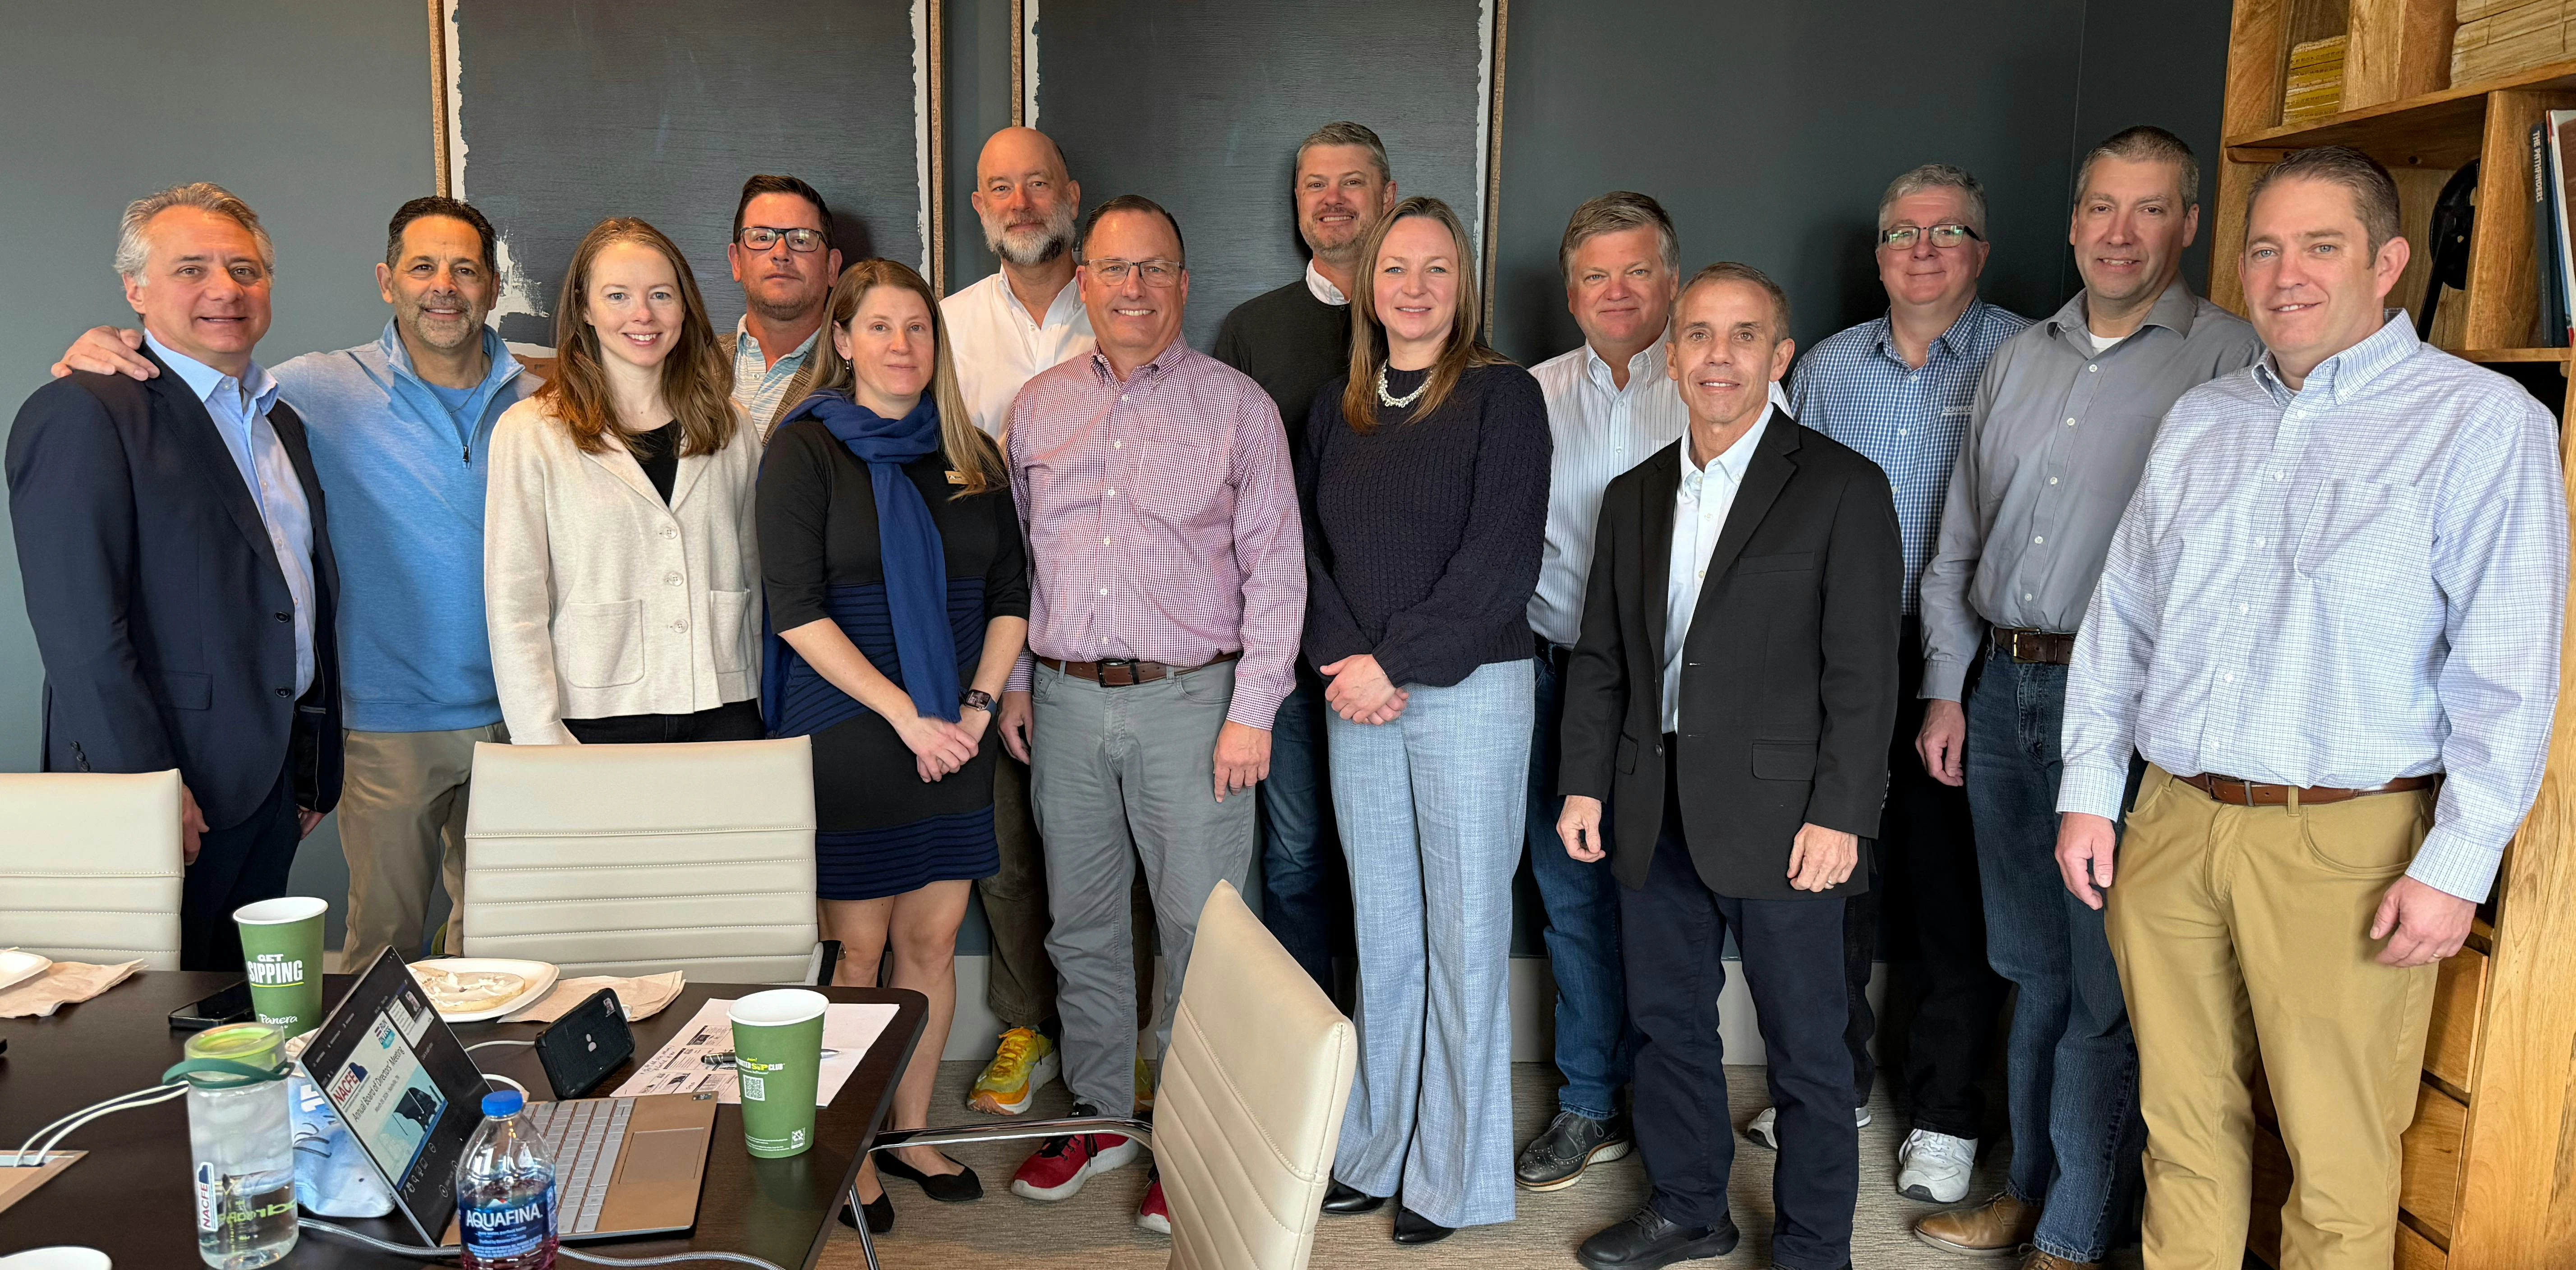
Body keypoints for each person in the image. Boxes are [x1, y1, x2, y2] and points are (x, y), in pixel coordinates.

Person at [2060, 145, 2567, 1270]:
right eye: (2266, 247)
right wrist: (2092, 795)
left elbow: (2509, 667)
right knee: (2181, 1131)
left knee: (2339, 1164)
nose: (2286, 274)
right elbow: (2125, 624)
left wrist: (2458, 859)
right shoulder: (2204, 421)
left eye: (2321, 246)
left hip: (2350, 839)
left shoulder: (2481, 425)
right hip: (2172, 820)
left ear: (2388, 262)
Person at [1913, 125, 2262, 1268]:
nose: (2120, 233)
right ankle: (2028, 1187)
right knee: (2029, 967)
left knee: (2107, 984)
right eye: (2101, 208)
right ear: (2071, 223)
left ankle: (2074, 1230)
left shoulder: (2230, 363)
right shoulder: (2019, 359)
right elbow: (1962, 537)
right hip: (2002, 686)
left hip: (2126, 711)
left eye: (2149, 209)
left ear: (2189, 225)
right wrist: (1946, 689)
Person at [46, 196, 537, 972]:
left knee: (515, 944)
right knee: (383, 953)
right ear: (387, 281)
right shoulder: (306, 391)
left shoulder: (547, 404)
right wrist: (103, 345)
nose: (444, 285)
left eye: (466, 268)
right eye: (422, 266)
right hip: (385, 726)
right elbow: (187, 381)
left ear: (492, 287)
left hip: (524, 717)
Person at [1559, 261, 1899, 1270]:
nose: (1718, 355)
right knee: (1667, 1024)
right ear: (1673, 356)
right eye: (1699, 334)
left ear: (1779, 355)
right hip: (1648, 799)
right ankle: (1691, 1208)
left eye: (1744, 334)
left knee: (1809, 1049)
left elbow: (1864, 675)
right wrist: (1584, 781)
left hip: (1789, 817)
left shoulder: (1842, 487)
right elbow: (1603, 657)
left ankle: (1812, 1248)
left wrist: (1842, 816)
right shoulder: (1630, 497)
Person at [994, 194, 1303, 1233]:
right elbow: (1022, 560)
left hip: (1195, 703)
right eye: (1115, 269)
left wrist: (1254, 706)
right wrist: (1024, 684)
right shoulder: (1034, 408)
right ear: (1084, 279)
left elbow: (1278, 566)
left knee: (1202, 932)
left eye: (1155, 269)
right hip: (1069, 703)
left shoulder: (1238, 408)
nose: (1134, 288)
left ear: (1183, 281)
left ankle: (1189, 1137)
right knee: (1079, 925)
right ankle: (1093, 1117)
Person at [8, 182, 343, 971]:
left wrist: (307, 768)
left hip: (268, 786)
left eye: (245, 269)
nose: (225, 289)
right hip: (169, 788)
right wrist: (149, 792)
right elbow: (81, 633)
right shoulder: (85, 411)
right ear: (135, 290)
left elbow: (292, 601)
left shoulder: (277, 419)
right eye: (191, 268)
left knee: (241, 1023)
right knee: (143, 1035)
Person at [759, 259, 1026, 1234]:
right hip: (849, 727)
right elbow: (794, 610)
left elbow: (1009, 595)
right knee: (858, 951)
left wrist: (975, 708)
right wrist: (907, 716)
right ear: (843, 340)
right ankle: (847, 1147)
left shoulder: (972, 454)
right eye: (879, 327)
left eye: (916, 328)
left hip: (959, 728)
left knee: (931, 940)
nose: (901, 345)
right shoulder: (805, 451)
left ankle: (909, 1132)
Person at [1775, 163, 2025, 1204]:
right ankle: (1830, 1082)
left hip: (1964, 661)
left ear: (1982, 249)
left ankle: (1947, 1113)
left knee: (1951, 898)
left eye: (1948, 232)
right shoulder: (1829, 370)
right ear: (1877, 254)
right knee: (1831, 884)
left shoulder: (2026, 358)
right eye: (1901, 233)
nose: (1922, 251)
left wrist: (1950, 680)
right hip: (1845, 659)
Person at [1306, 196, 1550, 1244]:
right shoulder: (1333, 408)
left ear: (1465, 285)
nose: (1414, 288)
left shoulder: (1506, 399)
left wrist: (1388, 663)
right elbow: (1301, 557)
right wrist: (1346, 663)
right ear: (1368, 285)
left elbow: (1500, 564)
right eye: (1395, 269)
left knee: (1464, 935)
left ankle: (1454, 1178)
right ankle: (1374, 1149)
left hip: (1471, 693)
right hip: (1355, 693)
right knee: (1387, 934)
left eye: (1436, 270)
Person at [940, 126, 1155, 1120]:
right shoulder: (941, 327)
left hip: (1103, 631)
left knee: (1125, 844)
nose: (1020, 203)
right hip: (982, 627)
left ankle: (1135, 1037)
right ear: (977, 206)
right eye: (999, 188)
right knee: (1008, 845)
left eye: (1037, 184)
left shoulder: (1125, 303)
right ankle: (1028, 1021)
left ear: (1071, 193)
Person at [1514, 190, 1689, 1193]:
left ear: (1669, 279)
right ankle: (1589, 1101)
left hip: (1680, 692)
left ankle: (1669, 1104)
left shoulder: (1721, 381)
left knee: (1668, 900)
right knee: (1571, 896)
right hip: (1563, 677)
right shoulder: (1529, 397)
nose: (1616, 292)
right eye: (1595, 275)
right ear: (1572, 291)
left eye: (1637, 272)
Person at [1211, 120, 1399, 993]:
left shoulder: (1426, 324)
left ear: (1386, 198)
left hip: (1396, 654)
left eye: (1352, 181)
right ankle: (1305, 1056)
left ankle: (1382, 1054)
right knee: (1294, 857)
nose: (1332, 199)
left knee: (1389, 862)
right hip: (1282, 651)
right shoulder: (1251, 332)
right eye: (1315, 184)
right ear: (1296, 206)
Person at [483, 218, 764, 746]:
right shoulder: (530, 434)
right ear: (585, 309)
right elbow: (515, 605)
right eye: (618, 295)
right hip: (594, 718)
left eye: (662, 294)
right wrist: (541, 740)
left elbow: (752, 574)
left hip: (726, 706)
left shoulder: (733, 428)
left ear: (686, 306)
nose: (643, 315)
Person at [723, 174, 844, 439]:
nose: (780, 253)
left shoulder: (861, 379)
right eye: (762, 237)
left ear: (832, 268)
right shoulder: (686, 364)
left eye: (801, 239)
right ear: (737, 262)